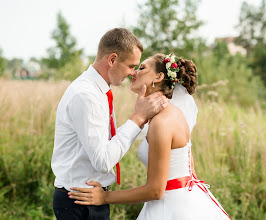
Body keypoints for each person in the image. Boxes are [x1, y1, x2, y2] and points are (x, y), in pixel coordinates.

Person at [68, 53, 231, 219]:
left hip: (174, 207)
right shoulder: (169, 114)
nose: (134, 72)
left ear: (159, 76)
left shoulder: (162, 122)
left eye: (142, 68)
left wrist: (104, 197)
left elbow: (155, 190)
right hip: (180, 200)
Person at [51, 28, 169, 220]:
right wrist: (137, 118)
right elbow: (103, 161)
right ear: (112, 60)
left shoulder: (99, 91)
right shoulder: (86, 95)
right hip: (78, 202)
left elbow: (107, 141)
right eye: (131, 66)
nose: (133, 73)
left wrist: (142, 120)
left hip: (89, 199)